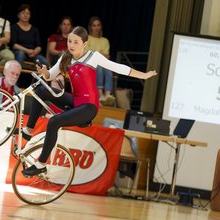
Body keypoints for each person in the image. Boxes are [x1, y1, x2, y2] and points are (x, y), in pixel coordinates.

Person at [21, 26, 157, 176]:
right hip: (75, 101)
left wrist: (143, 76)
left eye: (76, 42)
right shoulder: (66, 57)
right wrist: (44, 71)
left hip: (89, 107)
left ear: (85, 44)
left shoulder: (93, 56)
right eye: (70, 41)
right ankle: (29, 130)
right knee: (41, 90)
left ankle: (41, 164)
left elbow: (118, 68)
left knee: (54, 122)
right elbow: (49, 76)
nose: (71, 45)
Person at [87, 16, 115, 107]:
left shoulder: (105, 40)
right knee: (99, 67)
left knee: (108, 68)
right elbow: (87, 54)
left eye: (98, 25)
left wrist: (96, 53)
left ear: (101, 27)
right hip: (89, 64)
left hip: (103, 62)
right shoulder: (87, 38)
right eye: (94, 25)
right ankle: (100, 94)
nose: (96, 27)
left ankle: (107, 94)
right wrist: (99, 54)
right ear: (90, 27)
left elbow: (107, 55)